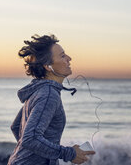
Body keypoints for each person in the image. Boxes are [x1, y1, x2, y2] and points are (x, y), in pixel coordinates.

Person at [7, 34, 95, 165]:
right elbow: (30, 139)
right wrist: (70, 154)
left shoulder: (40, 91)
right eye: (62, 56)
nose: (69, 58)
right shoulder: (48, 95)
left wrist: (35, 155)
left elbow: (16, 127)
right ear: (48, 66)